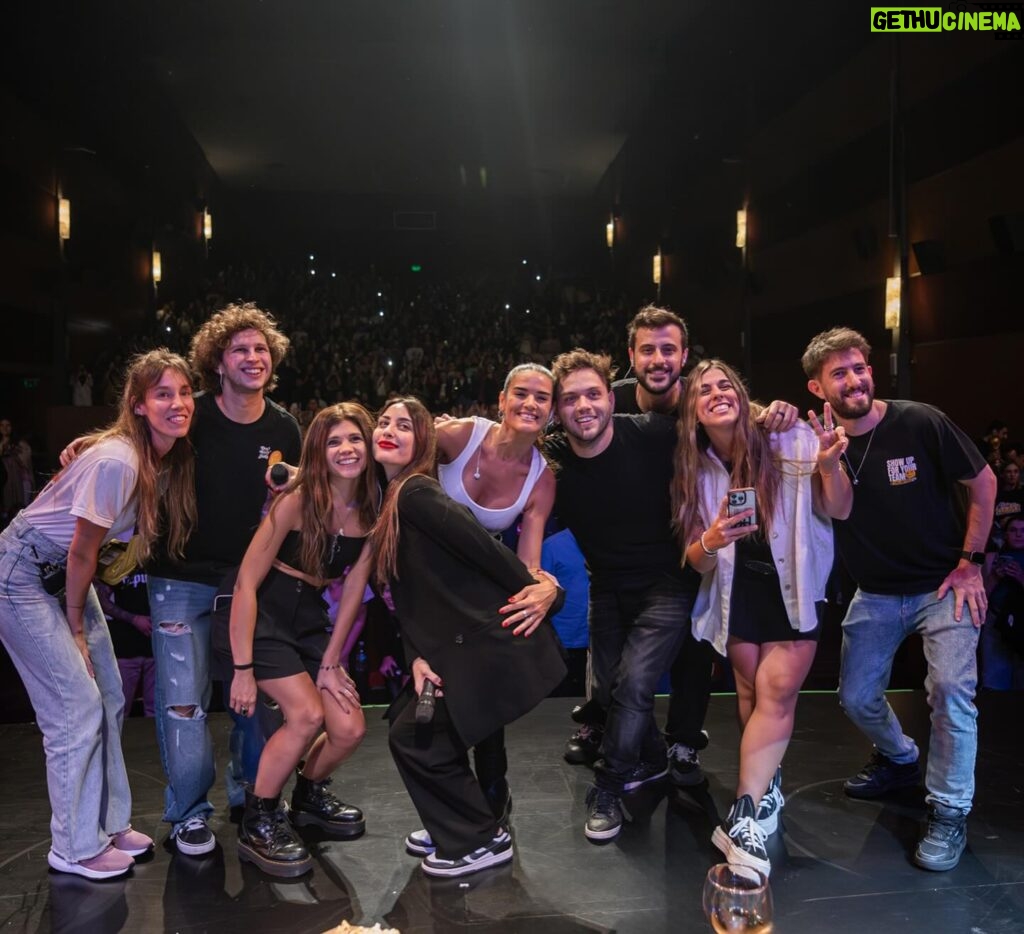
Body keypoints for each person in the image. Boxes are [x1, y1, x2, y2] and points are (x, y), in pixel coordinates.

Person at [802, 327, 996, 872]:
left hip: (942, 585)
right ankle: (899, 757)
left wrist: (971, 564)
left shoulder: (920, 420)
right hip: (878, 592)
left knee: (952, 691)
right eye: (839, 373)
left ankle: (950, 810)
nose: (855, 379)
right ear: (818, 387)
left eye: (859, 367)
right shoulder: (823, 442)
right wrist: (828, 461)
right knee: (857, 696)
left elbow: (982, 484)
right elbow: (839, 511)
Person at [578, 305, 796, 784]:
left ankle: (683, 741)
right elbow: (564, 419)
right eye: (648, 349)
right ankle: (611, 726)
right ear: (631, 355)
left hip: (694, 546)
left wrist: (771, 411)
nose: (658, 359)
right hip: (628, 555)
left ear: (682, 356)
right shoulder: (608, 401)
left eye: (668, 350)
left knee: (697, 651)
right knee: (614, 670)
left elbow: (739, 411)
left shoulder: (698, 399)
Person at [0, 349, 196, 880]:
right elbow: (85, 550)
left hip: (60, 574)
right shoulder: (120, 460)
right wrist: (76, 629)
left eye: (183, 393)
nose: (177, 403)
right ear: (137, 405)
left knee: (108, 694)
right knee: (75, 707)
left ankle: (107, 825)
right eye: (162, 394)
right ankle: (73, 846)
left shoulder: (154, 456)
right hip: (23, 576)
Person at [371, 397, 566, 878]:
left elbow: (487, 552)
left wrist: (547, 593)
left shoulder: (418, 493)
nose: (389, 430)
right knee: (415, 729)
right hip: (454, 647)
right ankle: (463, 824)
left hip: (486, 642)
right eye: (383, 421)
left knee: (417, 738)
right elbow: (414, 598)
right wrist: (415, 656)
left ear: (425, 443)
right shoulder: (395, 497)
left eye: (405, 425)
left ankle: (476, 839)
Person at [674, 359, 852, 875]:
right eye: (703, 390)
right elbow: (695, 559)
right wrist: (711, 540)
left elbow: (839, 509)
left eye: (725, 384)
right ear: (693, 411)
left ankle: (743, 818)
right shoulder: (695, 466)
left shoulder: (790, 436)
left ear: (742, 393)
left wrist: (829, 464)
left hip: (793, 589)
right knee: (750, 697)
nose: (715, 393)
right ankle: (767, 787)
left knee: (775, 696)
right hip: (737, 591)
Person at [147, 304, 302, 856]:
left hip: (246, 584)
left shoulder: (284, 426)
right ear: (217, 361)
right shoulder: (194, 416)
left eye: (261, 349)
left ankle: (252, 797)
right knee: (184, 704)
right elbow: (135, 436)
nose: (253, 357)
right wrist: (83, 444)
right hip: (179, 578)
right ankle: (189, 813)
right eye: (240, 349)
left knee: (257, 700)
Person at [546, 349, 699, 843]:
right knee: (609, 690)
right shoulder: (553, 456)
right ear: (557, 408)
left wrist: (767, 413)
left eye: (593, 394)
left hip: (667, 581)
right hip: (606, 585)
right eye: (570, 399)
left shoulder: (653, 432)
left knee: (633, 685)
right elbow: (495, 445)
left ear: (610, 397)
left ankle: (610, 785)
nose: (583, 406)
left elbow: (724, 427)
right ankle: (651, 759)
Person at [224, 403, 374, 876]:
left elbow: (353, 588)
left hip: (310, 614)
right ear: (318, 451)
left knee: (349, 727)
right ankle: (259, 819)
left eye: (354, 439)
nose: (346, 449)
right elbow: (246, 582)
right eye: (334, 441)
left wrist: (333, 659)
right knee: (307, 715)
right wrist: (242, 668)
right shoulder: (297, 499)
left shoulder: (374, 507)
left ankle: (307, 797)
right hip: (265, 610)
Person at [434, 363, 559, 823]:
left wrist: (545, 587)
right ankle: (450, 807)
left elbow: (526, 565)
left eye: (541, 398)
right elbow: (392, 445)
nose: (530, 403)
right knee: (432, 706)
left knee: (487, 683)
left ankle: (491, 796)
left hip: (474, 593)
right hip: (422, 584)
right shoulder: (457, 436)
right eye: (521, 394)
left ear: (550, 412)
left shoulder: (542, 478)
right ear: (501, 401)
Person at [980, 515, 1024, 689]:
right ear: (1005, 534)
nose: (1018, 535)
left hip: (1022, 622)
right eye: (1013, 530)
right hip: (995, 620)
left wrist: (1020, 577)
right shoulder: (991, 558)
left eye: (1023, 531)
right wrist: (995, 577)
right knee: (994, 677)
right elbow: (982, 596)